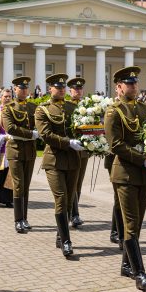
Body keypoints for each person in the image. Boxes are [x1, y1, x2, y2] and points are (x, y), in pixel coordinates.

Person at [105, 66, 146, 291]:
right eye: (128, 83)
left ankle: (127, 265)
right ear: (119, 87)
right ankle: (140, 273)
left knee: (138, 223)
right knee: (131, 224)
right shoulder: (113, 111)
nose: (133, 86)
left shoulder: (145, 109)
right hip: (125, 172)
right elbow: (115, 144)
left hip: (144, 174)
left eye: (135, 82)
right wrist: (141, 158)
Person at [35, 73, 85, 258]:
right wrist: (68, 142)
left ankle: (60, 234)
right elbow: (45, 134)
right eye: (58, 87)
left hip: (73, 160)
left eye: (63, 87)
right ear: (50, 89)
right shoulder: (43, 109)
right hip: (54, 160)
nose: (61, 89)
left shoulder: (73, 107)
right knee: (61, 198)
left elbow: (82, 128)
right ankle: (67, 241)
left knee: (71, 198)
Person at [2, 77, 39, 233]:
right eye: (20, 88)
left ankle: (25, 218)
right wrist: (31, 134)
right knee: (18, 185)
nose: (23, 90)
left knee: (26, 186)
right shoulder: (8, 107)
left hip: (29, 151)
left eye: (26, 88)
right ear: (14, 89)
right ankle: (18, 220)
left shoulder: (33, 107)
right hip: (15, 149)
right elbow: (10, 128)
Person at [66, 77, 89, 228]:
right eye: (75, 89)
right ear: (70, 91)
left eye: (80, 89)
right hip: (70, 148)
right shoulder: (66, 106)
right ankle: (72, 214)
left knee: (78, 184)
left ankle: (74, 213)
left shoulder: (87, 106)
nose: (78, 91)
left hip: (83, 150)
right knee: (71, 184)